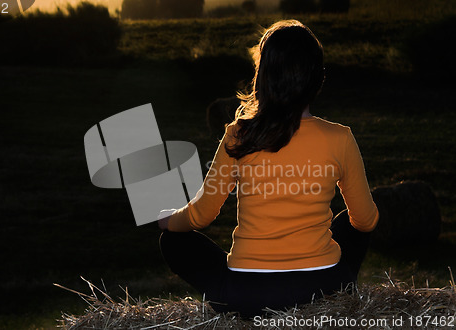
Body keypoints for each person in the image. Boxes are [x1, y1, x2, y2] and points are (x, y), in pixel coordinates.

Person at [157, 19, 379, 318]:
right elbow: (366, 221)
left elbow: (201, 215)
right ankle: (337, 290)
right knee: (349, 222)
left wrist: (168, 222)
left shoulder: (238, 135)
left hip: (247, 296)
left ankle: (231, 292)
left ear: (262, 76)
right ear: (317, 78)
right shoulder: (340, 138)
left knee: (173, 241)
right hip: (323, 289)